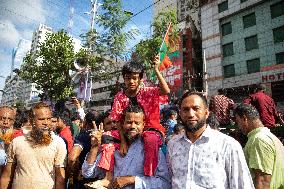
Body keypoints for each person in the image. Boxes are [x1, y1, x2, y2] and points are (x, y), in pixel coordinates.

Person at [92, 56, 170, 187]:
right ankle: (108, 177)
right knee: (106, 137)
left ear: (140, 78)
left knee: (150, 139)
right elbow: (117, 121)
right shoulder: (120, 97)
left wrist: (156, 69)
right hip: (127, 130)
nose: (131, 81)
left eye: (135, 78)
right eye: (128, 78)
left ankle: (148, 176)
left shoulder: (148, 91)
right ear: (124, 78)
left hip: (151, 128)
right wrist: (123, 142)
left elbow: (166, 90)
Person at [167, 91, 254, 189]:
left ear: (206, 113)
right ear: (180, 114)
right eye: (186, 110)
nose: (190, 114)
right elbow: (169, 181)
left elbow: (242, 185)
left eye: (196, 108)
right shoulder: (173, 145)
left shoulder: (227, 145)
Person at [82, 105, 171, 189]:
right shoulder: (111, 146)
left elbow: (165, 183)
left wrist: (133, 180)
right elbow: (87, 173)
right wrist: (94, 147)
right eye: (129, 122)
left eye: (137, 123)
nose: (133, 126)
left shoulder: (151, 147)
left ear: (143, 125)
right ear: (122, 123)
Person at [0, 102, 67, 189]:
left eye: (49, 119)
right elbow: (7, 176)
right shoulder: (17, 142)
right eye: (41, 119)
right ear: (31, 120)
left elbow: (60, 179)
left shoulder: (58, 143)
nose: (46, 123)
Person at [234, 103, 284, 189]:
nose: (238, 126)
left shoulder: (258, 140)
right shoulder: (270, 137)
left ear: (245, 119)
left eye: (238, 122)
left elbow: (262, 180)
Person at [67, 112, 96, 189]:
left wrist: (74, 173)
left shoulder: (83, 136)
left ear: (85, 122)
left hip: (82, 179)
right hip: (98, 181)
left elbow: (72, 158)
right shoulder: (107, 136)